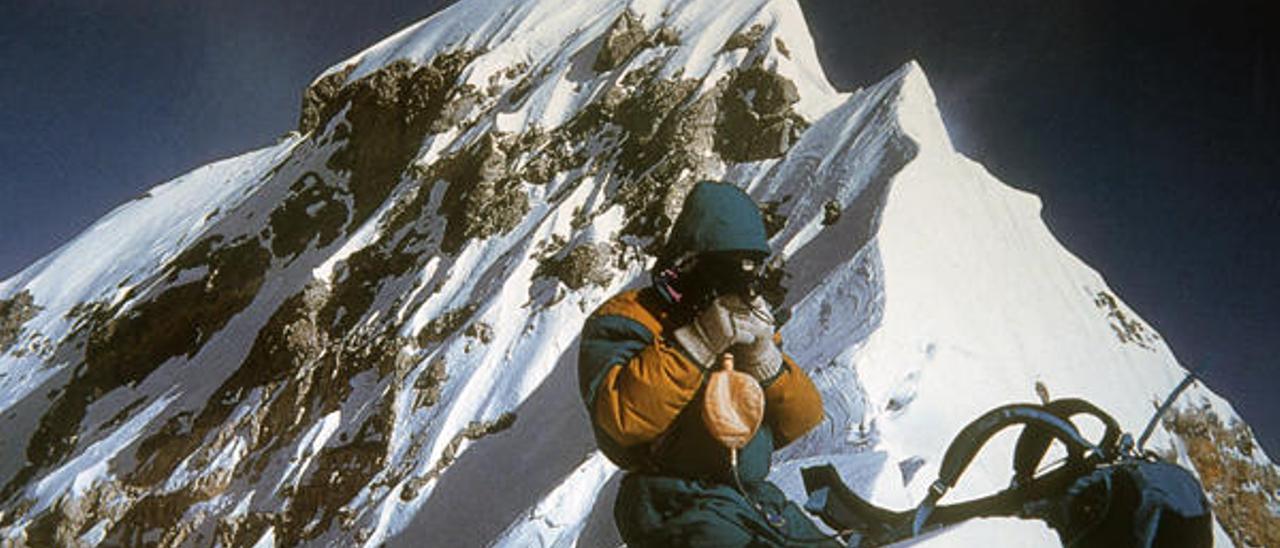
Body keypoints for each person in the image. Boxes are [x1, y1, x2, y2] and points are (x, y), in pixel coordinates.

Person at [578, 180, 839, 546]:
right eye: (725, 269)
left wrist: (765, 360)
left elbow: (802, 420)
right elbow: (621, 422)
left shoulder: (740, 320)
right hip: (672, 503)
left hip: (751, 499)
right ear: (690, 262)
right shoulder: (628, 319)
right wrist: (697, 343)